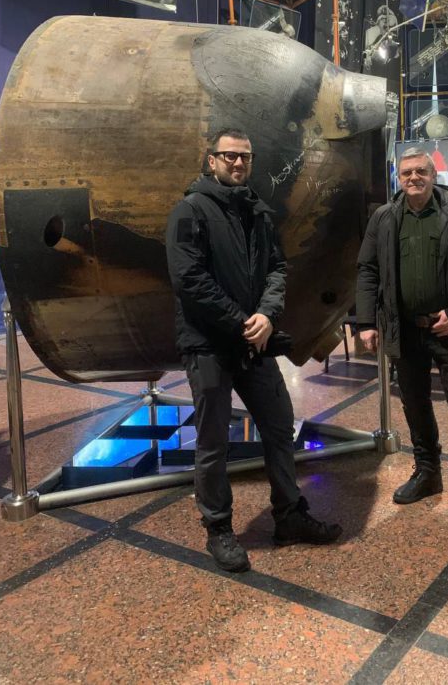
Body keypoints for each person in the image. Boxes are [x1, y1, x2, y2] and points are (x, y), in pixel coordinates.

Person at [166, 129, 342, 572]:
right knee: (212, 441)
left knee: (279, 427)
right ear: (211, 161)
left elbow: (277, 269)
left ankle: (289, 515)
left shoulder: (257, 212)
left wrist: (267, 313)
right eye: (229, 156)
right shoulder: (190, 211)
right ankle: (219, 528)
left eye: (245, 156)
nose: (238, 163)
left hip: (253, 342)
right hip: (209, 345)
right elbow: (189, 280)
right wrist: (242, 323)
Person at [356, 146, 448, 527]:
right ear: (398, 178)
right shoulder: (384, 218)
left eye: (421, 171)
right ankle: (428, 473)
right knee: (415, 405)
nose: (413, 178)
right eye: (406, 173)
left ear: (433, 175)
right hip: (405, 331)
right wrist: (366, 322)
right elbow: (368, 270)